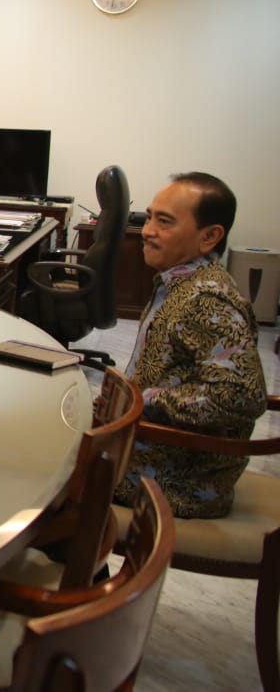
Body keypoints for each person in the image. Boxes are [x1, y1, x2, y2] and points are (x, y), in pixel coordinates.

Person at [114, 172, 266, 518]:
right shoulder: (181, 283)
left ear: (209, 236)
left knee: (45, 470)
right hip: (155, 453)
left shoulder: (205, 299)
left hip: (176, 478)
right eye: (150, 217)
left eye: (164, 222)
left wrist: (144, 400)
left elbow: (243, 394)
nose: (148, 231)